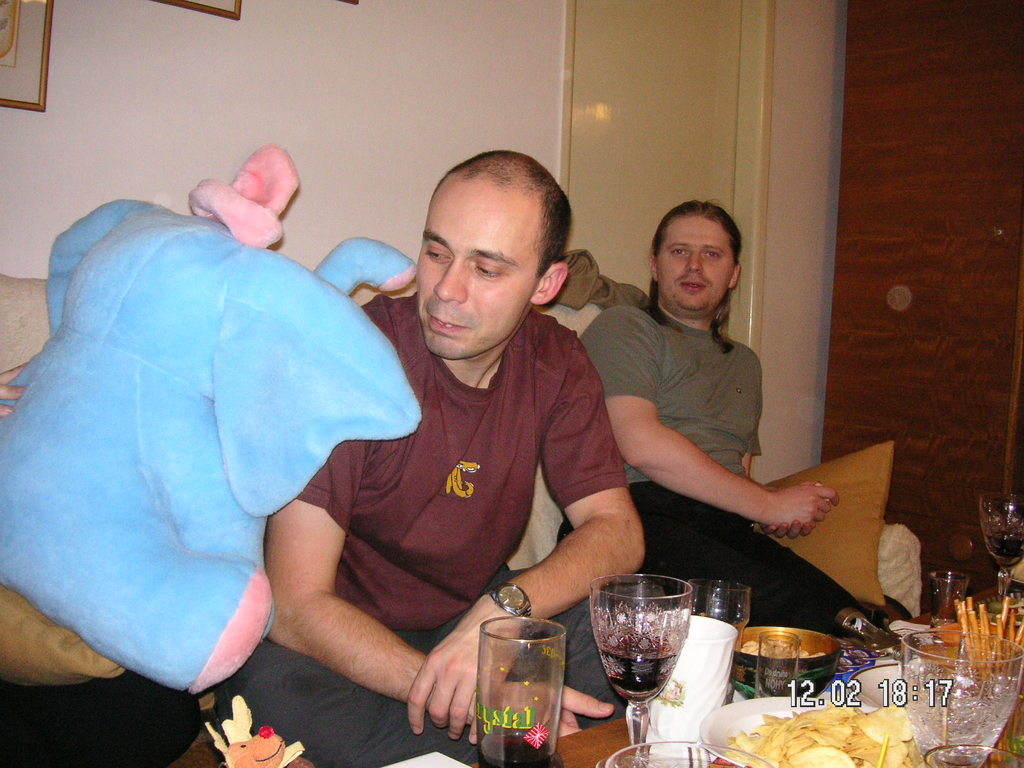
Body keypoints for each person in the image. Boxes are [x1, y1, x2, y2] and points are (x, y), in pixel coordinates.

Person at [217, 150, 644, 768]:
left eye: (487, 268)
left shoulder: (556, 359)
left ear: (546, 285)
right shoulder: (348, 355)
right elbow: (297, 604)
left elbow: (617, 529)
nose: (446, 290)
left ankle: (503, 740)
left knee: (626, 630)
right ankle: (513, 737)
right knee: (263, 697)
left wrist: (504, 610)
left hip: (475, 620)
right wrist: (474, 694)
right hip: (339, 643)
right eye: (437, 252)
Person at [580, 200, 862, 634]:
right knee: (792, 613)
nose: (694, 266)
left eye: (711, 254)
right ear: (654, 264)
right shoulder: (626, 327)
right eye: (679, 251)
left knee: (849, 615)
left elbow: (738, 472)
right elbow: (639, 443)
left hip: (721, 523)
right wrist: (767, 503)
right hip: (635, 515)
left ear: (733, 274)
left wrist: (775, 509)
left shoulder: (745, 364)